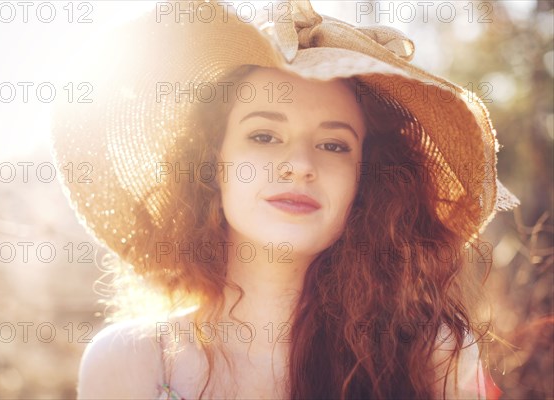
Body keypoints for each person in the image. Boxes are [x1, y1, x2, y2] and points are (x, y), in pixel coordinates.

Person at [51, 1, 520, 399]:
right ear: (213, 166)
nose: (299, 163)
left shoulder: (432, 355)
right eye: (264, 135)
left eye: (334, 145)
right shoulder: (130, 362)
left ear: (366, 182)